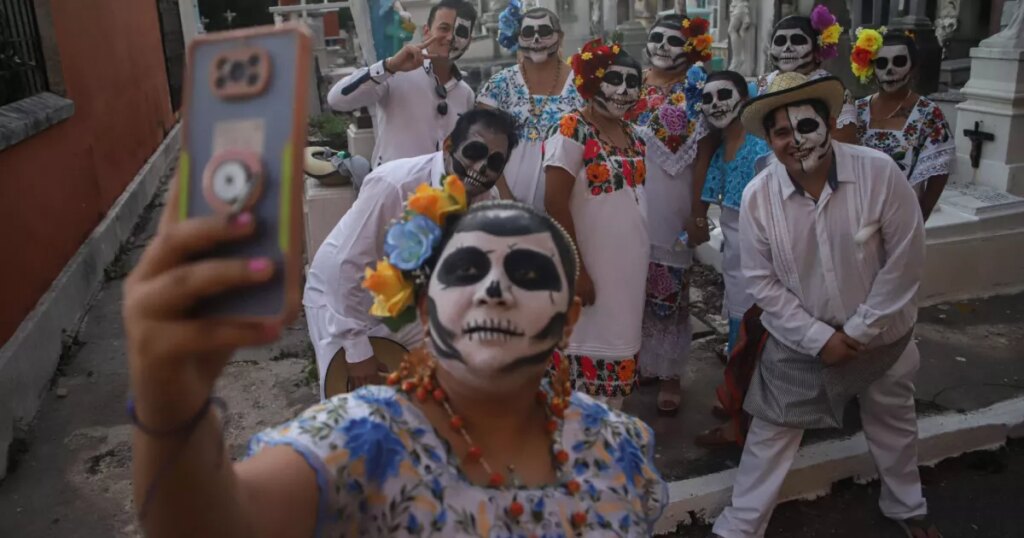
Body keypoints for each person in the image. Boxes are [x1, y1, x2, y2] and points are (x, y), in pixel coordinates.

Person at [124, 194, 668, 537]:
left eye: (528, 274)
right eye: (467, 269)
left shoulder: (617, 445)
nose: (495, 290)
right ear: (426, 307)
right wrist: (170, 390)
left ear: (568, 319)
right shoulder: (363, 441)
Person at [708, 71, 942, 538]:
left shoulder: (879, 173)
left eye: (806, 127)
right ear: (769, 139)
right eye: (780, 132)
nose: (795, 141)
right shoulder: (759, 197)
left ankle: (906, 508)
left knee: (892, 420)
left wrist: (857, 332)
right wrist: (819, 339)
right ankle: (739, 527)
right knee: (771, 433)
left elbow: (905, 260)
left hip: (882, 338)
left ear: (830, 122)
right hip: (798, 342)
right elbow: (762, 282)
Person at [304, 109, 518, 397]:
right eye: (474, 152)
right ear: (448, 146)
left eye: (495, 162)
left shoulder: (483, 202)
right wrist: (356, 350)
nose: (482, 168)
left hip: (408, 306)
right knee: (348, 411)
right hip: (342, 302)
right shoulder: (394, 184)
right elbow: (346, 266)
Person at [544, 39, 647, 410]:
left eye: (632, 82)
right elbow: (554, 203)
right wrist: (576, 270)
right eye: (614, 79)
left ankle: (604, 455)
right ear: (592, 82)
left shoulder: (635, 136)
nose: (624, 90)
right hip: (588, 275)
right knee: (578, 392)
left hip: (626, 279)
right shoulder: (571, 129)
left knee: (613, 387)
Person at [623, 14, 714, 415]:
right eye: (656, 37)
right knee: (631, 283)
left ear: (691, 47)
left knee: (670, 287)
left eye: (672, 40)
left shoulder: (699, 90)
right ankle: (642, 360)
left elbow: (707, 152)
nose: (662, 45)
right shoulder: (631, 82)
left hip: (674, 202)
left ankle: (670, 373)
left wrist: (698, 210)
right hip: (629, 197)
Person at [328, 0, 478, 167]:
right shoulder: (396, 73)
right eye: (444, 28)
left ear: (470, 41)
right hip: (393, 189)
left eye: (461, 31)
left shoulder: (466, 95)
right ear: (427, 31)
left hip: (439, 191)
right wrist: (388, 67)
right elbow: (336, 100)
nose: (451, 37)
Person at [476, 2, 583, 210]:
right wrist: (505, 198)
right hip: (504, 208)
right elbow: (481, 146)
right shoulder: (499, 86)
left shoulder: (581, 85)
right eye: (528, 32)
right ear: (518, 38)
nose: (536, 39)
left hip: (570, 208)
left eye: (544, 31)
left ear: (559, 37)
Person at [852, 30, 954, 221]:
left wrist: (922, 214)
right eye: (882, 63)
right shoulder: (856, 110)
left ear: (913, 67)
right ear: (871, 68)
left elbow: (940, 168)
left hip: (902, 217)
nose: (890, 70)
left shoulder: (928, 113)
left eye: (899, 61)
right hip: (857, 215)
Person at [756, 6, 858, 143]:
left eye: (797, 41)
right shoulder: (765, 82)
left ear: (817, 52)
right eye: (780, 41)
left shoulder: (834, 90)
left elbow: (844, 143)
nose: (787, 48)